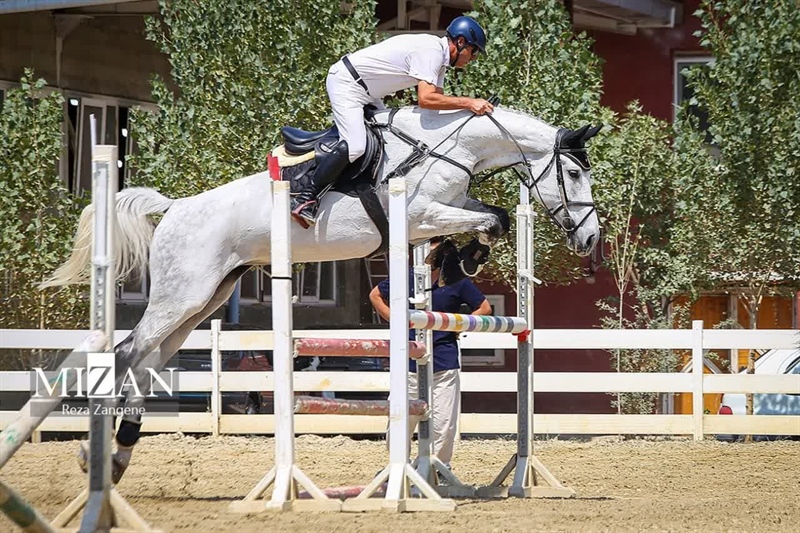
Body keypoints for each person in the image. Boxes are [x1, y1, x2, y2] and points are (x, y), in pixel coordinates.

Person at [292, 16, 494, 226]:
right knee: (356, 146)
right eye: (474, 51)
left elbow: (436, 106)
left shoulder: (440, 61)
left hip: (367, 91)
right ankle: (306, 197)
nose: (473, 58)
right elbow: (426, 99)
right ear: (460, 42)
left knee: (391, 140)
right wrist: (469, 103)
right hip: (347, 84)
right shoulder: (431, 51)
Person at [369, 237, 492, 471]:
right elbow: (375, 294)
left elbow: (484, 308)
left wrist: (459, 326)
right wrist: (395, 319)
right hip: (409, 361)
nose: (432, 256)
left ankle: (438, 469)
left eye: (436, 252)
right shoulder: (406, 276)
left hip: (444, 360)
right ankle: (399, 468)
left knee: (443, 423)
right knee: (401, 420)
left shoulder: (458, 280)